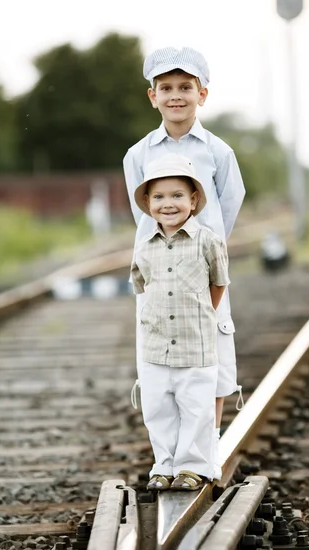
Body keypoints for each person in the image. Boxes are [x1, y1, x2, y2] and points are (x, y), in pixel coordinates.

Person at [124, 46, 245, 480]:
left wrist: (205, 249)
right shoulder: (139, 154)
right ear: (152, 96)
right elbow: (142, 210)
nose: (177, 96)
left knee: (208, 358)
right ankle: (169, 457)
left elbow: (228, 203)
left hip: (202, 268)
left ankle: (205, 452)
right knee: (161, 364)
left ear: (202, 94)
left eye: (185, 87)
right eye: (167, 88)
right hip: (160, 272)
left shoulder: (218, 151)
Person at [130, 154, 230, 490]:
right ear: (147, 202)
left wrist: (202, 314)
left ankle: (192, 467)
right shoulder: (144, 247)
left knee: (196, 408)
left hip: (195, 343)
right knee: (158, 408)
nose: (168, 204)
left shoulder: (208, 241)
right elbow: (142, 287)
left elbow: (218, 285)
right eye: (158, 197)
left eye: (177, 196)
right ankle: (164, 465)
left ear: (194, 200)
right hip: (156, 345)